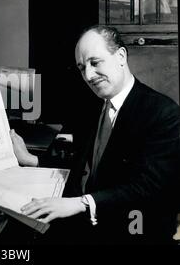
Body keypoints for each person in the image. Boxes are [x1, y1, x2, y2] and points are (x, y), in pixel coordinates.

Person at [11, 25, 180, 244]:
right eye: (82, 68)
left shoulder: (163, 113)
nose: (89, 75)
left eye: (95, 62)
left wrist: (80, 203)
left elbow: (148, 187)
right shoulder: (91, 108)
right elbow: (78, 161)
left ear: (120, 56)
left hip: (132, 229)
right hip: (84, 221)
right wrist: (31, 160)